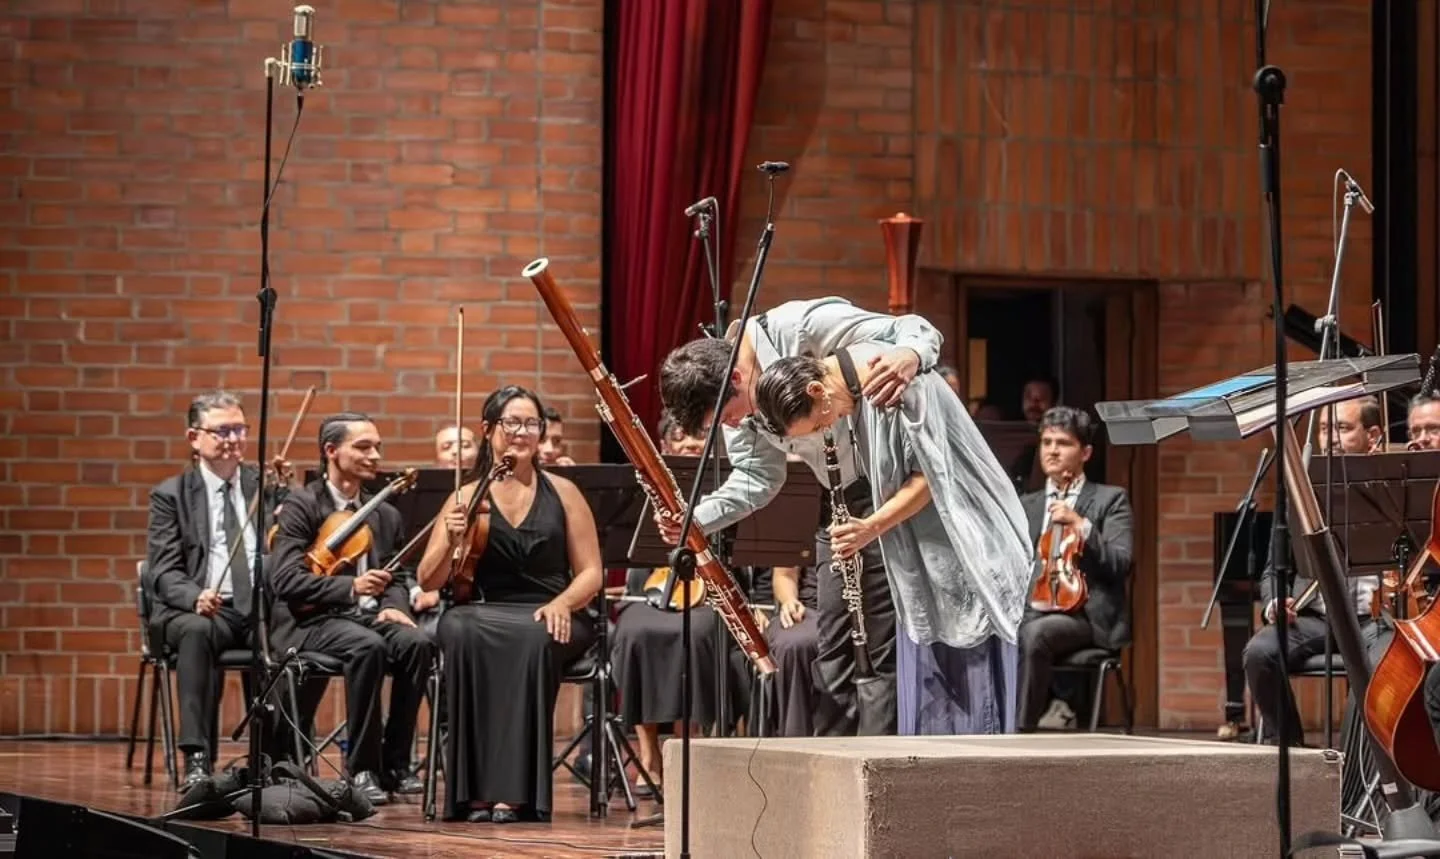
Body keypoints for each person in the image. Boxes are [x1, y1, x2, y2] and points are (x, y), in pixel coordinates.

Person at [657, 297, 942, 737]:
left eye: (727, 417)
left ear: (737, 378)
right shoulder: (738, 402)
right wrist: (697, 519)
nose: (732, 427)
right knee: (834, 645)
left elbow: (914, 328)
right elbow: (757, 477)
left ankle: (878, 759)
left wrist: (910, 354)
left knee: (879, 646)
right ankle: (837, 759)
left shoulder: (800, 327)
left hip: (899, 486)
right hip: (843, 498)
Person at [753, 343, 1033, 734]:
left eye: (818, 424)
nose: (826, 429)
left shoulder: (894, 384)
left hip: (958, 546)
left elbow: (929, 477)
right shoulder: (853, 402)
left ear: (817, 390)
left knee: (962, 682)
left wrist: (870, 527)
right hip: (918, 547)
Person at [416, 386, 601, 823]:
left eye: (532, 423)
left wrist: (563, 603)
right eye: (512, 422)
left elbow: (591, 572)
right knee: (458, 628)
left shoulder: (565, 493)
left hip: (552, 611)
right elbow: (428, 579)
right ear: (488, 430)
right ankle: (472, 792)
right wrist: (450, 538)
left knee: (533, 636)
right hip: (482, 609)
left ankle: (516, 793)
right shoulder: (465, 496)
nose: (523, 431)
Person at [266, 413, 433, 804]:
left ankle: (396, 764)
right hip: (310, 619)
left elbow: (396, 574)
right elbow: (284, 580)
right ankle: (362, 768)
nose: (375, 455)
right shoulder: (301, 505)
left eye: (377, 447)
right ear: (331, 451)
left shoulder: (385, 513)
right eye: (363, 447)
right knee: (367, 647)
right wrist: (350, 587)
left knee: (418, 644)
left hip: (365, 617)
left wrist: (394, 606)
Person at [146, 391, 291, 787]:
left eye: (239, 429)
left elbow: (291, 546)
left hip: (257, 607)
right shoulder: (172, 495)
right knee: (196, 632)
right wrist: (194, 595)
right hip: (201, 609)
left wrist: (287, 503)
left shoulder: (267, 487)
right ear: (194, 438)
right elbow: (162, 570)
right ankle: (197, 757)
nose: (233, 439)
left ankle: (275, 759)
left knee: (285, 634)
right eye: (222, 431)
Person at [1242, 395, 1382, 745]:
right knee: (1260, 653)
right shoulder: (1301, 493)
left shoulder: (1391, 487)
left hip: (1375, 619)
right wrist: (1275, 601)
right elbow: (1273, 569)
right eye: (1323, 429)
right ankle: (1289, 751)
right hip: (1318, 618)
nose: (1330, 438)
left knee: (1381, 664)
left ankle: (1362, 759)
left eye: (1342, 428)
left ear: (1373, 436)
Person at [609, 412, 728, 792]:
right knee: (635, 631)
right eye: (681, 436)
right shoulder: (644, 487)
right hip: (651, 592)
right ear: (664, 446)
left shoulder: (726, 484)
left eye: (698, 435)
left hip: (707, 595)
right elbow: (631, 554)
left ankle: (685, 744)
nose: (690, 443)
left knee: (696, 633)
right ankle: (649, 753)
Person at [1014, 406, 1133, 731]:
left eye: (1063, 443)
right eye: (1047, 442)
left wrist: (1081, 525)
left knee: (1034, 633)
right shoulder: (1027, 505)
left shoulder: (1111, 500)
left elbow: (1120, 563)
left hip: (1085, 618)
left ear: (1086, 453)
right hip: (1032, 608)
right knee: (996, 631)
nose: (1052, 450)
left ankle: (1019, 732)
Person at [763, 565, 822, 736]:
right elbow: (784, 574)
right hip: (810, 608)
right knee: (792, 644)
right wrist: (789, 600)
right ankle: (795, 738)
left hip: (870, 605)